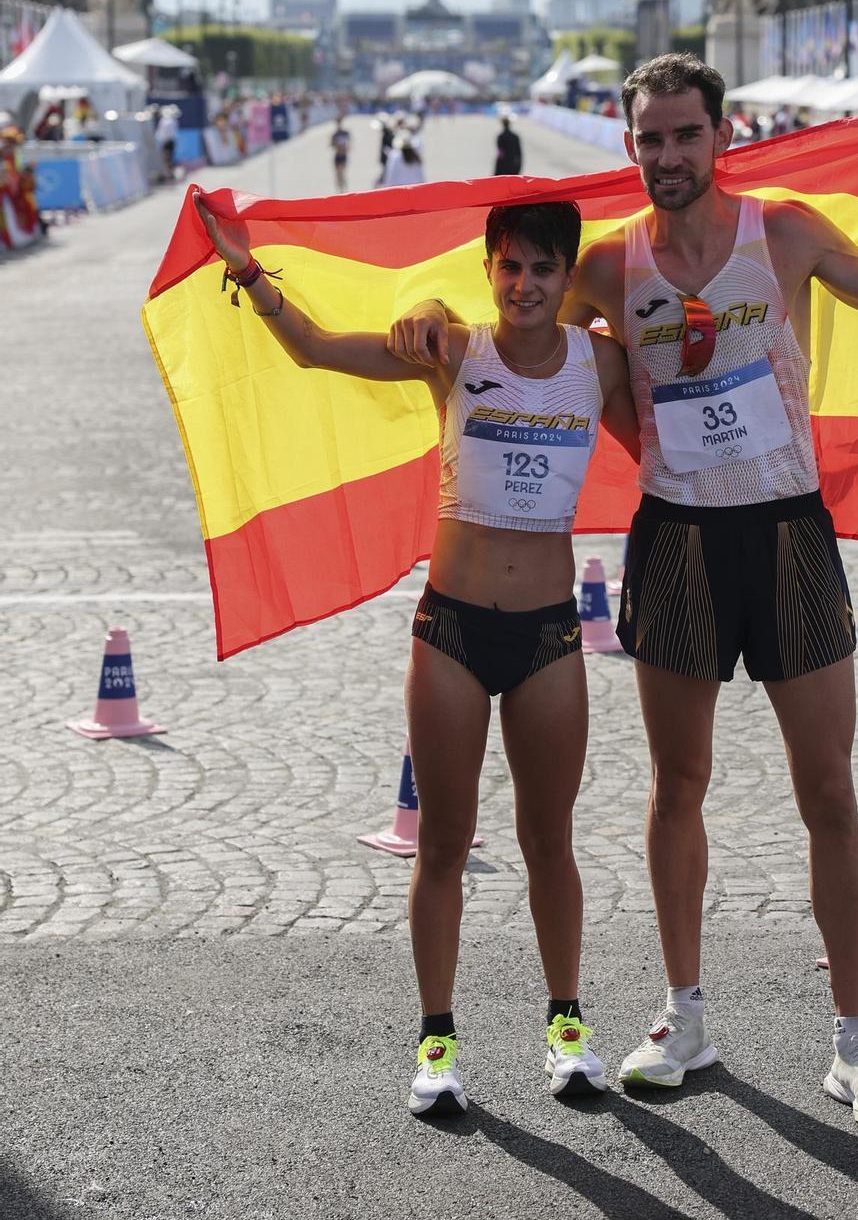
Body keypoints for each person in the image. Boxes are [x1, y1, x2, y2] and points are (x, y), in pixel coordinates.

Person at [390, 52, 858, 1128]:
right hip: (677, 542)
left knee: (829, 793)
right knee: (677, 788)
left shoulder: (783, 235)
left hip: (789, 530)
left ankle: (855, 1046)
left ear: (721, 136)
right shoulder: (607, 266)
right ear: (631, 147)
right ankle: (684, 1016)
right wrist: (425, 301)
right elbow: (504, 301)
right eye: (649, 139)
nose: (667, 155)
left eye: (684, 135)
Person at [193, 192, 639, 1118]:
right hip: (452, 631)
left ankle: (567, 1030)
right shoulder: (455, 352)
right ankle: (436, 1044)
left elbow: (686, 405)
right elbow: (318, 349)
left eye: (543, 269)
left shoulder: (601, 363)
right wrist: (245, 269)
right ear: (487, 272)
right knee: (441, 842)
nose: (524, 285)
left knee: (548, 841)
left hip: (552, 632)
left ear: (567, 279)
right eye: (509, 267)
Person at [330, 117, 351, 193]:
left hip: (343, 155)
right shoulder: (335, 134)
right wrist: (336, 144)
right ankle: (339, 190)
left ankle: (343, 190)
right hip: (337, 155)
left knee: (342, 172)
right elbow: (331, 144)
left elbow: (349, 144)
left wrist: (345, 149)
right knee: (337, 174)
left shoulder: (345, 133)